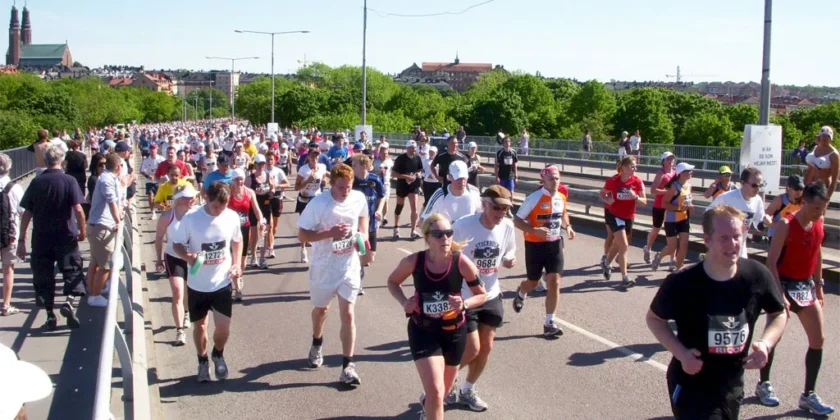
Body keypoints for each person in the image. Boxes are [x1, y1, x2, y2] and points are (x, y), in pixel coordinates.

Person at [386, 214, 486, 420]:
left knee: (443, 392)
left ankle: (429, 406)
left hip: (454, 332)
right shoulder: (414, 261)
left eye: (449, 233)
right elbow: (392, 282)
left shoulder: (461, 261)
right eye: (439, 234)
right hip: (423, 330)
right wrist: (405, 302)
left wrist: (465, 304)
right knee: (436, 391)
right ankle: (431, 404)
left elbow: (482, 294)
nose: (445, 239)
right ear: (427, 237)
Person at [757, 181, 835, 415]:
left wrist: (819, 285)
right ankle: (764, 384)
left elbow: (817, 253)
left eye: (823, 208)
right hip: (783, 283)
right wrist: (780, 293)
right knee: (773, 338)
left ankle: (808, 395)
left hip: (805, 286)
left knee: (818, 339)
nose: (820, 212)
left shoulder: (818, 222)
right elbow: (771, 261)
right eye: (816, 208)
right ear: (805, 202)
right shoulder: (785, 225)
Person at [298, 164, 369, 386]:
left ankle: (348, 365)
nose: (346, 191)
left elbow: (363, 218)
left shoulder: (358, 198)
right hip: (324, 267)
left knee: (348, 313)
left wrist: (362, 236)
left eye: (349, 186)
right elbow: (302, 234)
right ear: (331, 184)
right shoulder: (319, 204)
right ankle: (317, 341)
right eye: (341, 187)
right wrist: (331, 233)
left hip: (348, 265)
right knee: (321, 311)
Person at [448, 186, 516, 411]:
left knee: (487, 346)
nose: (500, 213)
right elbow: (444, 254)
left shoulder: (506, 226)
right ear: (484, 205)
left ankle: (467, 389)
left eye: (505, 209)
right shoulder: (462, 226)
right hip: (466, 296)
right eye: (496, 208)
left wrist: (508, 259)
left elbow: (509, 251)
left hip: (492, 293)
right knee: (473, 349)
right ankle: (441, 382)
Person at [172, 181, 243, 383]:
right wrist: (188, 257)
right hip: (197, 284)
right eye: (216, 206)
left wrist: (237, 264)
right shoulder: (191, 218)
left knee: (223, 328)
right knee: (200, 327)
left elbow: (237, 240)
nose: (220, 210)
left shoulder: (231, 217)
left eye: (224, 205)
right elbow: (176, 245)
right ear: (206, 199)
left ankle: (218, 354)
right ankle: (202, 360)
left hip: (221, 282)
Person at [17, 145, 87, 331]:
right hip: (66, 235)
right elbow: (78, 210)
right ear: (62, 161)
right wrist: (82, 231)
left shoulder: (36, 182)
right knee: (72, 271)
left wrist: (21, 240)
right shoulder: (69, 181)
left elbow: (27, 214)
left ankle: (50, 316)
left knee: (44, 276)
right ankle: (69, 302)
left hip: (41, 237)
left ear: (45, 161)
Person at [512, 165, 574, 337]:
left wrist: (567, 226)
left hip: (554, 244)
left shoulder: (561, 196)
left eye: (557, 178)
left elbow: (563, 213)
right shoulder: (534, 198)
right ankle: (521, 292)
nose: (555, 182)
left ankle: (549, 322)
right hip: (535, 245)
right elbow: (517, 221)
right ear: (543, 180)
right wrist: (534, 230)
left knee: (554, 281)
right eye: (551, 179)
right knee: (532, 282)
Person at [154, 184, 197, 346]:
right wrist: (158, 259)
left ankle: (186, 312)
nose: (193, 200)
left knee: (187, 291)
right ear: (178, 200)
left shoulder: (196, 214)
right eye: (189, 197)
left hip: (191, 258)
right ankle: (180, 331)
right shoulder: (167, 216)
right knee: (178, 290)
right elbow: (159, 238)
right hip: (173, 256)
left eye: (194, 197)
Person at [599, 157, 646, 287]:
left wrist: (635, 197)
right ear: (624, 167)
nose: (635, 169)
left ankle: (607, 263)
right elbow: (602, 193)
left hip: (629, 216)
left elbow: (644, 201)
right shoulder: (613, 181)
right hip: (614, 214)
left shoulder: (637, 182)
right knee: (624, 245)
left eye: (635, 166)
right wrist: (608, 200)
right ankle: (625, 277)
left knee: (619, 244)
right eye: (632, 166)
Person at [707, 167, 772, 258]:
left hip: (740, 247)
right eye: (754, 185)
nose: (758, 189)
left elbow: (758, 226)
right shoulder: (727, 197)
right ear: (743, 183)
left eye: (760, 185)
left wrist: (765, 223)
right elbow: (707, 215)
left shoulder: (757, 200)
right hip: (722, 245)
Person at [86, 153, 125, 307]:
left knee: (95, 262)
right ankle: (95, 296)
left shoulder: (108, 178)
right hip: (101, 227)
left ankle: (93, 291)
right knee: (106, 264)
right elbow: (111, 201)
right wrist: (118, 220)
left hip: (97, 226)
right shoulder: (107, 179)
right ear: (118, 167)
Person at [350, 154, 385, 295]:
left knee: (369, 257)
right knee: (357, 256)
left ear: (364, 166)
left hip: (371, 226)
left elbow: (382, 196)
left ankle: (355, 275)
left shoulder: (375, 180)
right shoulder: (351, 182)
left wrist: (379, 210)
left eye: (355, 164)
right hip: (356, 226)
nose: (352, 167)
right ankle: (357, 284)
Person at [652, 163, 694, 273]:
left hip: (684, 218)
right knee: (672, 248)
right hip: (671, 220)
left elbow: (687, 201)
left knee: (684, 244)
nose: (691, 173)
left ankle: (678, 270)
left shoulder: (688, 186)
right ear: (681, 173)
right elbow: (664, 204)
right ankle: (659, 256)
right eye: (688, 171)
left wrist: (690, 207)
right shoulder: (673, 187)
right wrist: (679, 208)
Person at [228, 168, 263, 300]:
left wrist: (261, 221)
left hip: (244, 229)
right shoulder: (228, 193)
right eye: (237, 179)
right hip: (230, 231)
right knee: (232, 259)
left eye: (241, 179)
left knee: (242, 262)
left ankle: (238, 276)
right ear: (232, 181)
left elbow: (257, 209)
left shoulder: (249, 193)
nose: (240, 182)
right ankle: (236, 288)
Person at [420, 161, 482, 226]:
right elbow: (422, 222)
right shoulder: (440, 194)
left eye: (464, 178)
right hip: (447, 235)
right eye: (457, 178)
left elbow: (480, 215)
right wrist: (441, 226)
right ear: (449, 177)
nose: (462, 182)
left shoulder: (474, 192)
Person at [295, 148, 329, 263]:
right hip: (304, 199)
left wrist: (324, 181)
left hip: (317, 198)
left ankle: (318, 252)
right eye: (312, 156)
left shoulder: (322, 167)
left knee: (319, 225)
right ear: (308, 157)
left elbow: (324, 179)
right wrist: (308, 180)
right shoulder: (303, 170)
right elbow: (296, 187)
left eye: (316, 156)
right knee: (305, 225)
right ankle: (303, 249)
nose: (315, 159)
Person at [0, 153, 23, 316]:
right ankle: (6, 305)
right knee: (8, 269)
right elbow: (22, 211)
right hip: (10, 232)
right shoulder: (14, 187)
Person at [644, 152, 676, 264]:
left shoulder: (675, 173)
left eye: (672, 158)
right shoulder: (661, 173)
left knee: (672, 232)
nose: (671, 161)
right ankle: (647, 247)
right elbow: (653, 190)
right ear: (663, 161)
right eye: (668, 159)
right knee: (656, 229)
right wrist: (667, 192)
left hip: (671, 206)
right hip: (659, 206)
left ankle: (673, 259)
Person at [245, 154, 274, 269]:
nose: (261, 166)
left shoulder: (268, 176)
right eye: (259, 164)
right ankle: (253, 256)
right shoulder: (250, 178)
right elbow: (246, 193)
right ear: (255, 165)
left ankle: (262, 257)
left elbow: (273, 188)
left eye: (263, 164)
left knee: (263, 233)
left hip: (265, 205)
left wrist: (271, 191)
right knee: (254, 233)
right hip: (253, 207)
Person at [391, 141, 424, 239]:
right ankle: (396, 228)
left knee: (414, 207)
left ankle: (413, 231)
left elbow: (420, 169)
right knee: (399, 207)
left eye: (415, 147)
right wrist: (405, 176)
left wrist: (418, 174)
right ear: (407, 148)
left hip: (413, 186)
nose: (414, 149)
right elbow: (393, 174)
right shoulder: (400, 158)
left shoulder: (417, 158)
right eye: (412, 148)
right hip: (402, 185)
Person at [265, 152, 290, 259]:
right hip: (266, 199)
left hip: (277, 199)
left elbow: (287, 184)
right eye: (267, 160)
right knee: (269, 226)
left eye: (271, 159)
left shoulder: (278, 171)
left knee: (274, 227)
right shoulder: (263, 172)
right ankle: (271, 248)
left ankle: (270, 239)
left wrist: (278, 185)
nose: (269, 162)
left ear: (274, 160)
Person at [804, 126, 838, 202]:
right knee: (804, 211)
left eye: (827, 136)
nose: (824, 138)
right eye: (823, 135)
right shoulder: (815, 148)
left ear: (831, 138)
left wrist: (827, 198)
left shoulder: (834, 155)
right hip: (808, 185)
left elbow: (834, 179)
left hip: (821, 188)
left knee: (818, 212)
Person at [765, 174, 804, 239]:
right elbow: (766, 216)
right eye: (796, 188)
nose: (799, 191)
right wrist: (779, 225)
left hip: (792, 237)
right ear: (788, 188)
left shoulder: (803, 201)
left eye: (801, 189)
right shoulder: (780, 200)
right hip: (776, 236)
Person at [141, 144, 165, 218]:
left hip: (159, 181)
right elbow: (142, 171)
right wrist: (148, 176)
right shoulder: (146, 160)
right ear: (149, 150)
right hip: (150, 181)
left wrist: (161, 176)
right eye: (151, 149)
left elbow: (166, 169)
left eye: (154, 149)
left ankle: (164, 212)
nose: (152, 150)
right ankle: (153, 212)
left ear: (157, 149)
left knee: (160, 199)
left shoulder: (161, 159)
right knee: (150, 196)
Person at [372, 144, 394, 226]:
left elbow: (393, 171)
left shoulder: (390, 162)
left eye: (386, 153)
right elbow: (371, 171)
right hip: (376, 184)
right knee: (377, 201)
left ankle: (384, 217)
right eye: (383, 153)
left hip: (386, 184)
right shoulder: (375, 161)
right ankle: (377, 216)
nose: (385, 155)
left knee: (386, 201)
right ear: (380, 153)